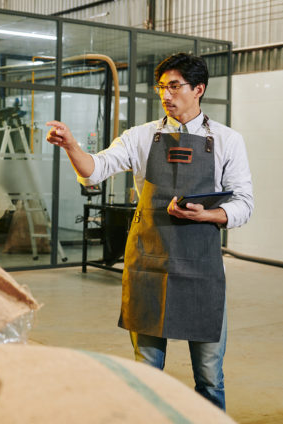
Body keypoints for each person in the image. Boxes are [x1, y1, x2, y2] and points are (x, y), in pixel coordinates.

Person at [46, 52, 253, 410]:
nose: (166, 95)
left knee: (208, 376)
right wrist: (72, 147)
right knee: (146, 373)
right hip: (149, 268)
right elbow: (96, 170)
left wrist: (207, 214)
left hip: (202, 272)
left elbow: (244, 204)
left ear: (198, 89)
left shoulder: (227, 140)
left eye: (174, 86)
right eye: (161, 87)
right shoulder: (141, 137)